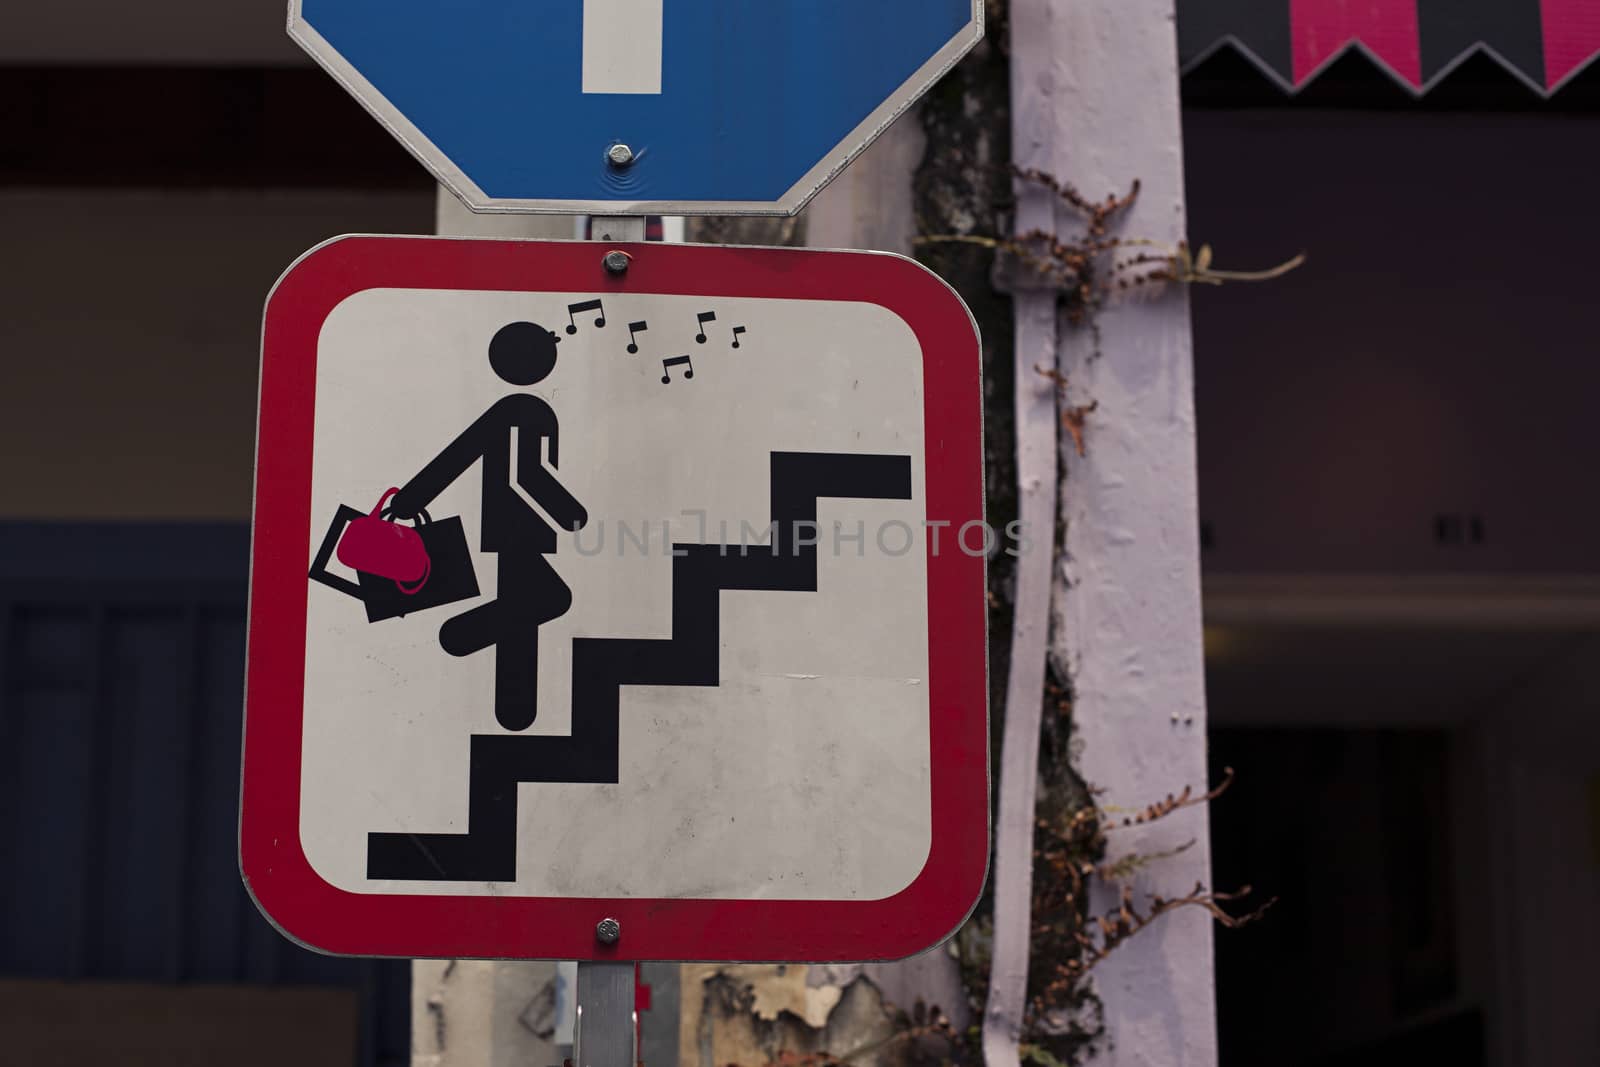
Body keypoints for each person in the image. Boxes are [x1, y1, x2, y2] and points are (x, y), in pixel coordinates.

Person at [388, 321, 587, 731]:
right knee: (550, 597)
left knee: (531, 604)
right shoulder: (525, 411)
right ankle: (458, 636)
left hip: (516, 530)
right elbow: (525, 475)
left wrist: (412, 499)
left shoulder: (528, 409)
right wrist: (570, 514)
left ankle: (515, 716)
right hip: (519, 527)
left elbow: (455, 458)